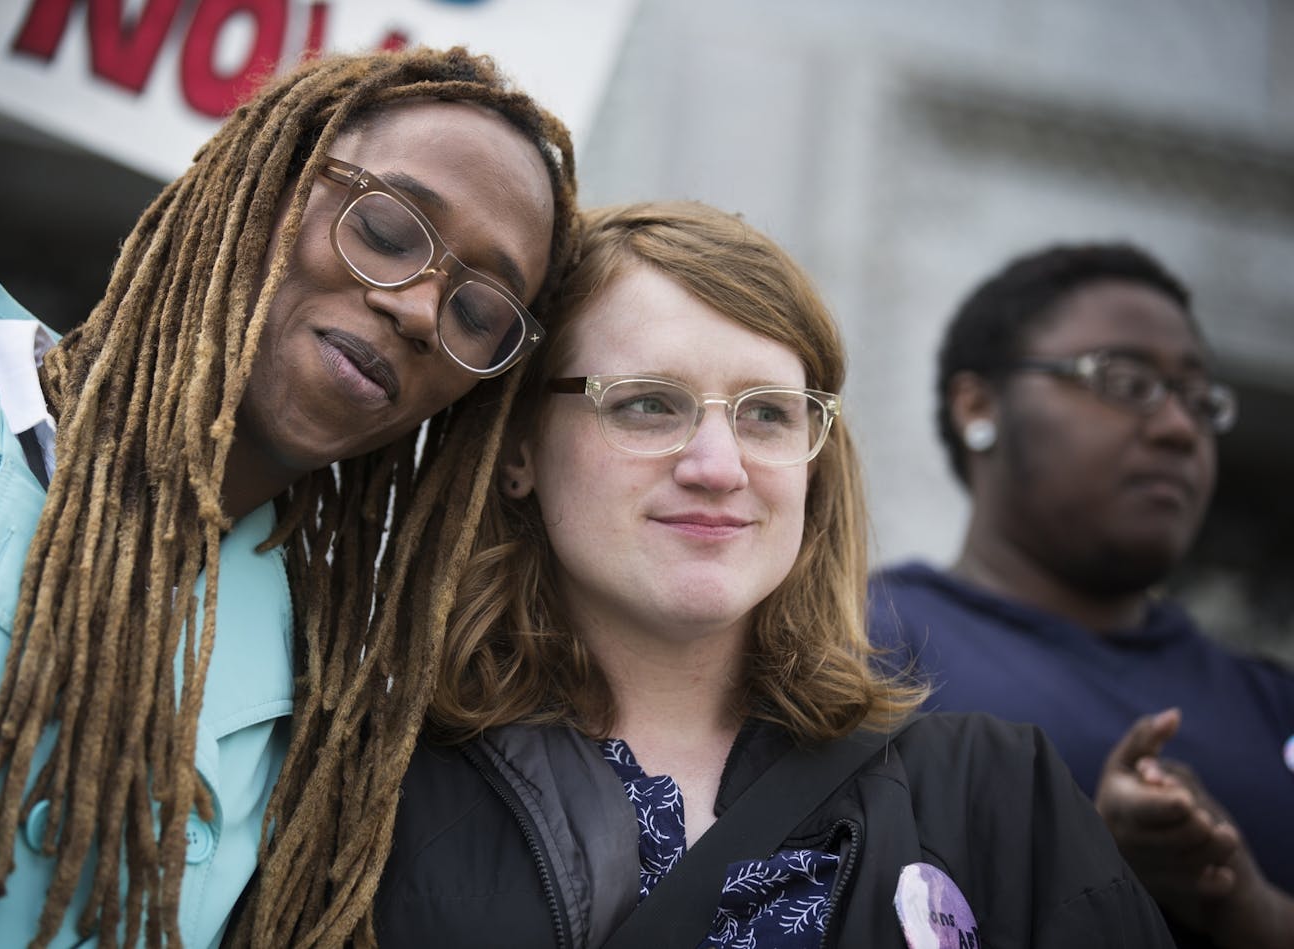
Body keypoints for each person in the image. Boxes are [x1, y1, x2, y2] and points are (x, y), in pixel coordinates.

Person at [0, 46, 578, 947]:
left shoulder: (329, 688)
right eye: (390, 231)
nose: (417, 310)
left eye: (479, 313)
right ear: (266, 181)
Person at [371, 203, 1174, 947]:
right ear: (519, 449)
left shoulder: (1000, 795)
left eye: (767, 413)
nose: (718, 468)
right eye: (648, 403)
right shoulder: (372, 782)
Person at [868, 243, 1294, 948]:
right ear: (979, 405)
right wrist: (1083, 860)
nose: (1178, 428)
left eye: (1197, 399)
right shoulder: (852, 648)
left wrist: (1243, 905)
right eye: (1124, 380)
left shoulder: (1273, 702)